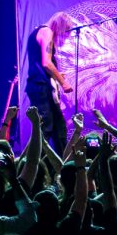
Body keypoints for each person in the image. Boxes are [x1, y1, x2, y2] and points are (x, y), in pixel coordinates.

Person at [26, 11, 76, 153]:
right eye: (65, 30)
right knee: (45, 127)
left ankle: (62, 161)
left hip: (43, 85)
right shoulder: (47, 31)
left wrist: (56, 75)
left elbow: (40, 63)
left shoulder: (40, 31)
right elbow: (46, 63)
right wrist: (63, 82)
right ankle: (34, 163)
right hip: (40, 87)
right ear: (60, 26)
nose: (64, 35)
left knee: (59, 128)